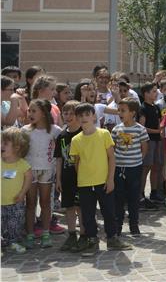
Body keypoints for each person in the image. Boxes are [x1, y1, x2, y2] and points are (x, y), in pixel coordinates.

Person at [69, 102, 131, 255]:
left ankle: (112, 239)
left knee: (109, 212)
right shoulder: (76, 140)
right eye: (80, 115)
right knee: (88, 215)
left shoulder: (104, 134)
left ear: (94, 116)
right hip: (84, 184)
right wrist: (82, 179)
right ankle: (92, 241)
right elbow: (76, 163)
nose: (84, 118)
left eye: (87, 114)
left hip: (103, 182)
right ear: (77, 118)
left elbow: (111, 158)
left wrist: (110, 179)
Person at [22, 99, 61, 248]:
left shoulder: (55, 130)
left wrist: (59, 176)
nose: (30, 114)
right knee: (30, 203)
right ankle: (30, 234)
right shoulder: (25, 130)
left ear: (44, 113)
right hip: (29, 171)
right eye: (29, 110)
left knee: (45, 203)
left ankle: (46, 233)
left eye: (34, 111)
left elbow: (60, 154)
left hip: (47, 170)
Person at [111, 98, 149, 236]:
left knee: (133, 197)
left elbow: (144, 148)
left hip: (134, 168)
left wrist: (137, 160)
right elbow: (113, 148)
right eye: (119, 110)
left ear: (133, 113)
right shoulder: (116, 129)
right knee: (118, 197)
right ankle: (118, 225)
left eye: (123, 111)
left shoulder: (140, 129)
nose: (120, 113)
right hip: (119, 168)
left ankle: (134, 225)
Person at [55, 101, 83, 251]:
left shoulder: (83, 134)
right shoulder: (61, 135)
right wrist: (58, 179)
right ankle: (71, 235)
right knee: (69, 207)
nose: (68, 116)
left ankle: (84, 235)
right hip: (67, 177)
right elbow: (59, 159)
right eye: (65, 113)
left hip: (82, 177)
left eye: (72, 113)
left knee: (81, 207)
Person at [2, 127, 33, 253]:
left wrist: (22, 193)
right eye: (1, 142)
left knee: (15, 225)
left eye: (5, 143)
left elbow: (28, 179)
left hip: (15, 203)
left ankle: (13, 243)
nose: (1, 145)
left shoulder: (22, 165)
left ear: (17, 147)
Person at [138, 83, 164, 207]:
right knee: (146, 167)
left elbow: (159, 123)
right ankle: (140, 194)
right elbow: (141, 127)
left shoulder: (156, 107)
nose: (156, 93)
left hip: (157, 140)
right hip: (148, 141)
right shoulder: (142, 108)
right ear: (146, 93)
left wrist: (160, 130)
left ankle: (154, 192)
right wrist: (157, 131)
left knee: (156, 166)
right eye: (153, 91)